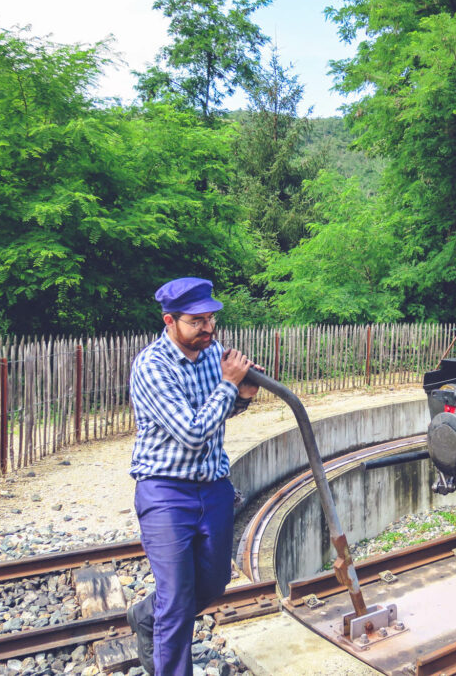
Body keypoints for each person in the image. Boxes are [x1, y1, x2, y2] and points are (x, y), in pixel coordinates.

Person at [126, 277, 257, 675]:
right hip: (165, 491)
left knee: (213, 585)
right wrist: (230, 384)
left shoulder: (212, 353)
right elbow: (193, 432)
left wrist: (243, 396)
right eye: (196, 321)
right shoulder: (152, 367)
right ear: (170, 321)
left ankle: (147, 616)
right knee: (178, 600)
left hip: (214, 488)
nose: (208, 329)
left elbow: (219, 414)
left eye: (211, 319)